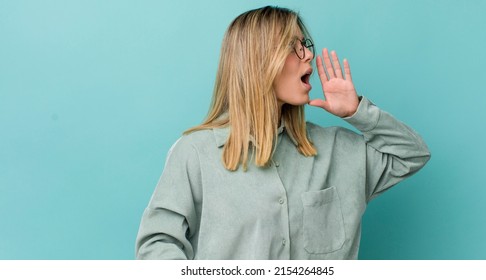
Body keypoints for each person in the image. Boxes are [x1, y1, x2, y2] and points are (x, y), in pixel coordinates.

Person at [135, 6, 430, 260]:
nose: (309, 56)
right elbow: (157, 244)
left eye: (306, 44)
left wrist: (357, 112)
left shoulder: (339, 150)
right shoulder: (196, 153)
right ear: (260, 61)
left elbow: (412, 155)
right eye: (294, 46)